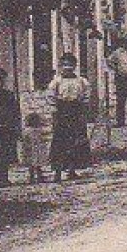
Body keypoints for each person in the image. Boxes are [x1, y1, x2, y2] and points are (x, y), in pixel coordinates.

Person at [46, 52, 92, 180]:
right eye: (65, 65)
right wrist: (55, 112)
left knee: (76, 141)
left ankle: (72, 169)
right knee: (60, 141)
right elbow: (51, 97)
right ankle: (58, 172)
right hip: (62, 111)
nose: (68, 67)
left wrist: (83, 111)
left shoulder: (81, 81)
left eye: (70, 65)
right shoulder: (56, 82)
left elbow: (86, 97)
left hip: (76, 111)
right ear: (60, 66)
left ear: (75, 66)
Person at [21, 111, 49, 184]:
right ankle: (39, 176)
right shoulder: (39, 130)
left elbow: (24, 141)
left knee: (31, 165)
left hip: (30, 149)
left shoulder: (27, 131)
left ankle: (32, 177)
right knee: (38, 164)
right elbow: (44, 139)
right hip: (37, 149)